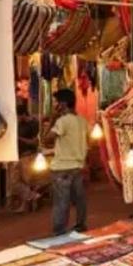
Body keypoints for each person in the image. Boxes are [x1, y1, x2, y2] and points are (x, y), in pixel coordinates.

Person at [42, 89, 89, 235]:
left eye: (56, 102)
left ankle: (59, 232)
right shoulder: (82, 121)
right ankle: (80, 225)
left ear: (62, 104)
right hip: (77, 166)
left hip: (62, 167)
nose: (54, 105)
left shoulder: (63, 121)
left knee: (61, 202)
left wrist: (52, 120)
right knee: (79, 199)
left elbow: (47, 138)